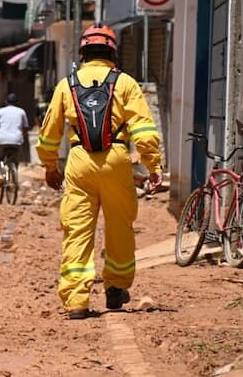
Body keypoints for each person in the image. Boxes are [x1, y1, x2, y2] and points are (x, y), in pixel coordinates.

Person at [36, 23, 162, 319]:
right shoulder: (126, 83)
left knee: (77, 230)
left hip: (79, 159)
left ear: (83, 52)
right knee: (120, 226)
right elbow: (144, 132)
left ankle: (77, 300)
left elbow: (49, 134)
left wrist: (50, 166)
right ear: (111, 52)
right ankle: (115, 289)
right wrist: (153, 165)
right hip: (117, 158)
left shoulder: (67, 84)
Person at [0, 92, 30, 182]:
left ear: (6, 102)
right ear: (17, 102)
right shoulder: (21, 111)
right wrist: (21, 136)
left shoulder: (0, 111)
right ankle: (13, 175)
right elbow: (26, 127)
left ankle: (1, 175)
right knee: (15, 159)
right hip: (17, 140)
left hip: (1, 139)